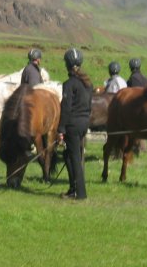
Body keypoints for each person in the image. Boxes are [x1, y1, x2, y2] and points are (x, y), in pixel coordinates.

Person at [58, 47, 93, 200]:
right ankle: (74, 188)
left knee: (75, 158)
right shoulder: (87, 84)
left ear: (67, 64)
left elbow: (65, 109)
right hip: (84, 123)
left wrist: (61, 129)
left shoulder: (69, 84)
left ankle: (79, 193)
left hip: (72, 125)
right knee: (68, 155)